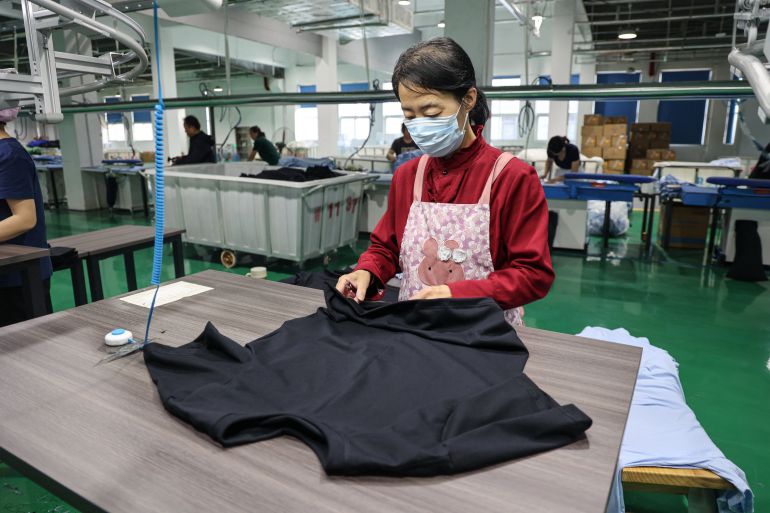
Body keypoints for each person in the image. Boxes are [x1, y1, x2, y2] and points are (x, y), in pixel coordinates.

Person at [335, 38, 554, 326]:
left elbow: (532, 274)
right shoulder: (407, 176)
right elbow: (386, 247)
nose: (419, 125)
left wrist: (457, 292)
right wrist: (368, 271)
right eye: (409, 115)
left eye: (431, 112)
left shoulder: (512, 178)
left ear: (468, 99)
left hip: (485, 330)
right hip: (414, 325)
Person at [0, 106, 53, 327]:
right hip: (6, 270)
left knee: (28, 353)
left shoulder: (9, 155)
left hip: (19, 277)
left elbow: (25, 218)